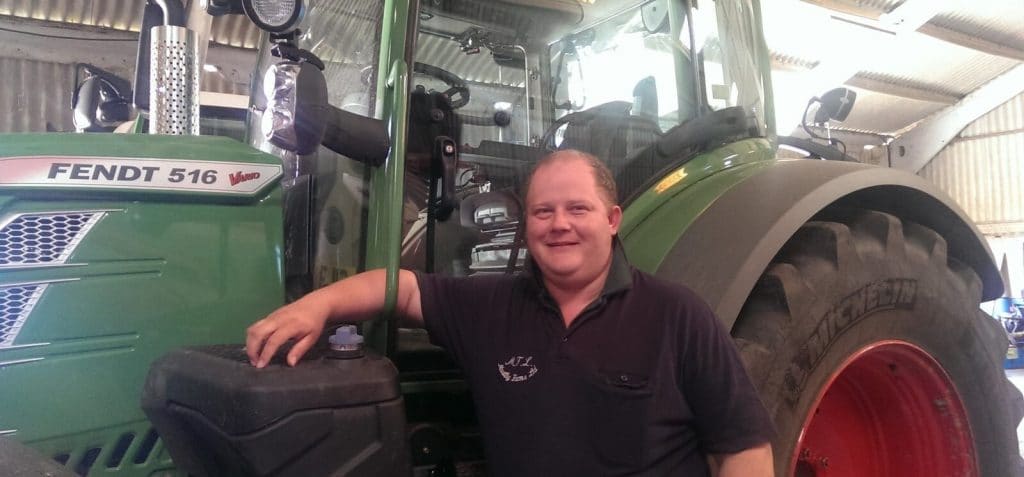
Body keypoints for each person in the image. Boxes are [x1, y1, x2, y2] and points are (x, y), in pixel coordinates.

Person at [247, 150, 776, 476]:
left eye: (578, 209)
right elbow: (402, 290)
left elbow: (743, 446)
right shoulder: (492, 308)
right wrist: (316, 306)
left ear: (613, 220)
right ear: (526, 227)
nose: (559, 224)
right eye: (544, 211)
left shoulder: (677, 315)